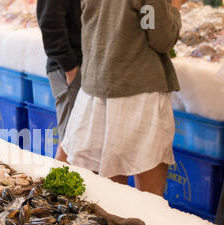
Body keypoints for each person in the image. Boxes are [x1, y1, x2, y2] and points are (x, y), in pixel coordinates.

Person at [61, 0, 188, 197]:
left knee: (110, 194)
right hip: (137, 92)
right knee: (149, 199)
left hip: (96, 89)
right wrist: (175, 7)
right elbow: (160, 38)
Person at [36, 0, 82, 162]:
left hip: (81, 67)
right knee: (69, 141)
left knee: (78, 140)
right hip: (69, 69)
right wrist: (70, 69)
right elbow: (49, 24)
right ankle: (53, 187)